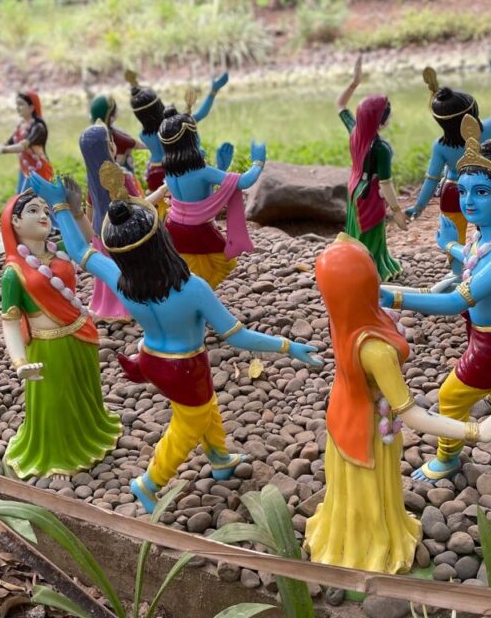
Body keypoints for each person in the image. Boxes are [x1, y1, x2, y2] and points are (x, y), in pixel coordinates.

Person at [28, 169, 320, 512]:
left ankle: (219, 457)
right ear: (161, 239)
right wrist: (288, 346)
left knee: (205, 404)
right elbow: (237, 335)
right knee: (188, 423)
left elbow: (79, 250)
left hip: (152, 358)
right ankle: (149, 483)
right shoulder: (192, 287)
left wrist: (61, 204)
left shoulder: (121, 278)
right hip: (185, 366)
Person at [305, 234, 491, 573]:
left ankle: (347, 539)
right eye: (372, 272)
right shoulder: (375, 350)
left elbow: (408, 296)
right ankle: (369, 551)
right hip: (368, 432)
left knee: (352, 496)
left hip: (345, 416)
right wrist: (477, 430)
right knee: (367, 497)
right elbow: (414, 415)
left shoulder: (346, 318)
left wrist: (448, 285)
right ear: (366, 284)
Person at [381, 116, 491, 482]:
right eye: (463, 191)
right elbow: (474, 266)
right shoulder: (486, 237)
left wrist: (393, 296)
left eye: (481, 193)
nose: (467, 201)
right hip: (489, 334)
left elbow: (455, 303)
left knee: (451, 398)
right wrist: (450, 245)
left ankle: (447, 459)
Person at [0, 190, 121, 477]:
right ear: (14, 222)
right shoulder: (13, 272)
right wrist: (19, 362)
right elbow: (10, 322)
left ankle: (90, 432)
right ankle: (57, 450)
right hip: (47, 347)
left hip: (81, 334)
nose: (43, 215)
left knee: (84, 393)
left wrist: (77, 211)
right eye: (32, 211)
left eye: (44, 209)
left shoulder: (61, 250)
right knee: (53, 401)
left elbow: (91, 242)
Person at [405, 44, 491, 247]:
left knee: (454, 238)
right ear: (473, 111)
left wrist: (418, 207)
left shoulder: (441, 146)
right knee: (490, 235)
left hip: (454, 191)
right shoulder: (487, 129)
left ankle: (457, 269)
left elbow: (432, 179)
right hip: (486, 188)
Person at [159, 106, 262, 288]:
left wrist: (221, 167)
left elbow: (196, 194)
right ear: (191, 140)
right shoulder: (201, 171)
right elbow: (244, 181)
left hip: (173, 226)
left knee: (188, 268)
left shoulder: (170, 170)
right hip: (198, 230)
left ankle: (191, 297)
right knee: (224, 263)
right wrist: (258, 162)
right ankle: (199, 298)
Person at [80, 125, 167, 320]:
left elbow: (89, 208)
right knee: (130, 270)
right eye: (111, 141)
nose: (114, 145)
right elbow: (139, 204)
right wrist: (162, 191)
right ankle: (131, 307)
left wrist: (93, 233)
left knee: (108, 277)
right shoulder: (121, 176)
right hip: (124, 235)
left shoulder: (91, 178)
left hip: (101, 236)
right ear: (106, 147)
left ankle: (108, 307)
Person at [336, 55, 405, 281]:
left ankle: (356, 262)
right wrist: (396, 211)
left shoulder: (355, 130)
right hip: (370, 193)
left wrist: (354, 82)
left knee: (356, 227)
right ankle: (371, 268)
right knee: (372, 230)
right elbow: (385, 183)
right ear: (380, 121)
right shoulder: (381, 148)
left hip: (354, 186)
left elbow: (340, 105)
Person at [126, 71, 229, 195]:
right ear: (159, 105)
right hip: (176, 169)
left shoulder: (143, 135)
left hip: (153, 171)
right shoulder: (177, 125)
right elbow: (202, 113)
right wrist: (213, 91)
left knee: (162, 202)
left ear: (139, 115)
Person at [0, 91, 55, 193]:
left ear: (32, 107)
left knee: (34, 202)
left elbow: (21, 146)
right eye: (17, 104)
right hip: (25, 171)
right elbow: (7, 143)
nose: (18, 108)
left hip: (38, 171)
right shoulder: (21, 127)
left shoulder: (38, 127)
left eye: (21, 104)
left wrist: (3, 150)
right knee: (21, 200)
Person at [89, 93, 144, 186]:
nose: (117, 112)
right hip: (122, 174)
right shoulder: (114, 135)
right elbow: (134, 143)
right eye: (114, 111)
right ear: (109, 116)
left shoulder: (93, 135)